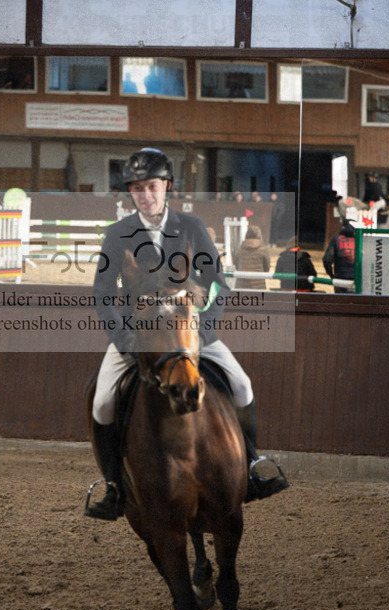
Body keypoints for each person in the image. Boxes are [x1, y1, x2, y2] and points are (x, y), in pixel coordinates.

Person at [85, 147, 289, 521]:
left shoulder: (191, 228)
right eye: (137, 188)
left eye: (152, 186)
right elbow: (102, 292)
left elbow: (218, 283)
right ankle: (114, 486)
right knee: (102, 403)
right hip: (138, 336)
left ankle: (251, 466)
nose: (145, 195)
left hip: (187, 331)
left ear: (167, 186)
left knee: (241, 385)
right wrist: (123, 338)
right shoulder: (118, 234)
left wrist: (204, 327)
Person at [323, 220, 356, 293]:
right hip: (357, 279)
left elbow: (327, 260)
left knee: (340, 299)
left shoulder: (336, 239)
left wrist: (332, 275)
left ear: (342, 227)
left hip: (340, 277)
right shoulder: (360, 239)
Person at [236, 225, 271, 289]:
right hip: (258, 285)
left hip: (241, 285)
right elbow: (267, 268)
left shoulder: (239, 249)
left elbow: (236, 266)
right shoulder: (263, 249)